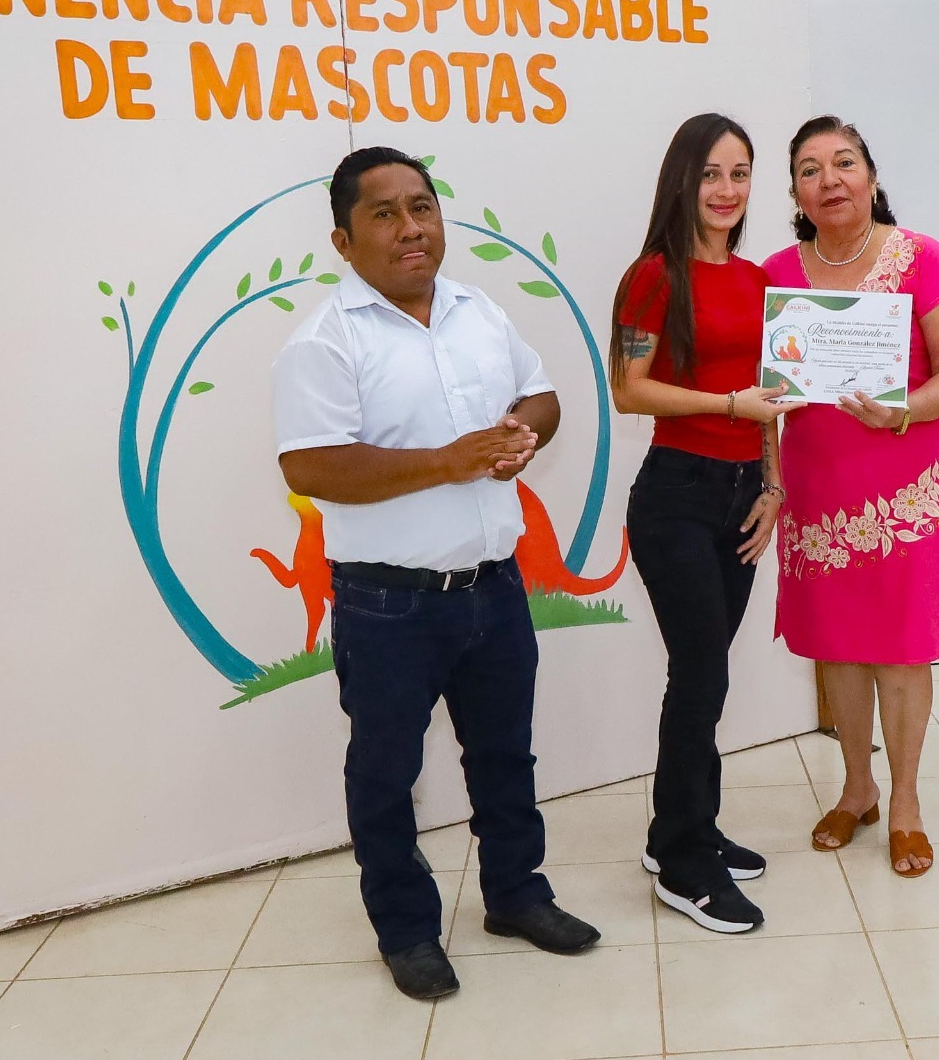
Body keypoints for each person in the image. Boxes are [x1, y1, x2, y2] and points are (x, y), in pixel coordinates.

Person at [271, 146, 600, 1000]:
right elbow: (310, 465)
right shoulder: (324, 341)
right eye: (384, 214)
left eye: (422, 207)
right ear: (343, 241)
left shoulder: (477, 310)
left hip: (495, 589)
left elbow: (542, 397)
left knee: (505, 758)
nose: (411, 228)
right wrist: (448, 461)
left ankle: (517, 897)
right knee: (385, 777)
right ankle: (407, 930)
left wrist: (522, 433)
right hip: (388, 605)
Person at [764, 116, 939, 878]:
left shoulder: (923, 258)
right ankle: (856, 788)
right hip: (819, 492)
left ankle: (906, 804)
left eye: (844, 163)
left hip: (910, 489)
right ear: (795, 191)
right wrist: (771, 478)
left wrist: (904, 411)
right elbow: (764, 399)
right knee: (838, 647)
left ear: (871, 177)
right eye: (810, 169)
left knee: (901, 649)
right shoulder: (775, 274)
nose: (829, 180)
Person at [610, 113, 796, 933]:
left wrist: (774, 485)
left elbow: (772, 398)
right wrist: (727, 405)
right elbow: (628, 387)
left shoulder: (757, 280)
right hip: (676, 495)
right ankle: (684, 864)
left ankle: (681, 831)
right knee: (701, 675)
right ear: (682, 181)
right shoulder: (655, 275)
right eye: (712, 173)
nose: (727, 190)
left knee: (706, 672)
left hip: (742, 495)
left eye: (741, 174)